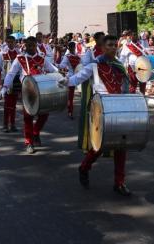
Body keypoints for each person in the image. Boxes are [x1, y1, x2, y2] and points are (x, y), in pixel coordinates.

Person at [62, 35, 132, 196]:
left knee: (121, 146)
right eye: (110, 45)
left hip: (118, 108)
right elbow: (78, 78)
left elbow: (124, 87)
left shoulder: (119, 65)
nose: (113, 47)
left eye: (115, 45)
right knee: (99, 146)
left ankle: (119, 182)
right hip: (100, 109)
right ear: (102, 47)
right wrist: (65, 81)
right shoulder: (94, 65)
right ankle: (84, 167)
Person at [0, 36, 58, 154]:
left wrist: (60, 73)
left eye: (33, 45)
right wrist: (4, 87)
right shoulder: (20, 58)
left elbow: (52, 69)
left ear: (36, 45)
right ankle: (29, 142)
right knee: (28, 117)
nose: (30, 47)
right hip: (27, 90)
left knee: (44, 115)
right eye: (28, 45)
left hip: (42, 89)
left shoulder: (41, 58)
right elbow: (11, 74)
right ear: (25, 45)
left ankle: (35, 132)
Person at [0, 35, 21, 132]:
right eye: (9, 42)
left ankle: (13, 124)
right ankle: (5, 124)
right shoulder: (2, 54)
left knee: (13, 103)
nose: (10, 44)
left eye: (12, 42)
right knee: (7, 103)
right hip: (6, 80)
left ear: (15, 43)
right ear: (6, 42)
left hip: (17, 80)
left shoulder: (19, 53)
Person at [120, 30, 147, 95]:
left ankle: (143, 98)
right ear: (130, 37)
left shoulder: (140, 44)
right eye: (133, 35)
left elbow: (146, 53)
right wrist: (120, 67)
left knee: (142, 83)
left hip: (142, 66)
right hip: (132, 67)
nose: (134, 37)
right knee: (133, 84)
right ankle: (132, 99)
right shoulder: (127, 45)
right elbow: (122, 57)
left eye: (136, 35)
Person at [59, 41, 81, 118]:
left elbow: (62, 66)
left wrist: (55, 64)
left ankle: (70, 111)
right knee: (74, 95)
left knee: (70, 96)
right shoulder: (78, 56)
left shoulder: (67, 56)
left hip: (71, 78)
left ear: (68, 48)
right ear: (74, 47)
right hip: (79, 77)